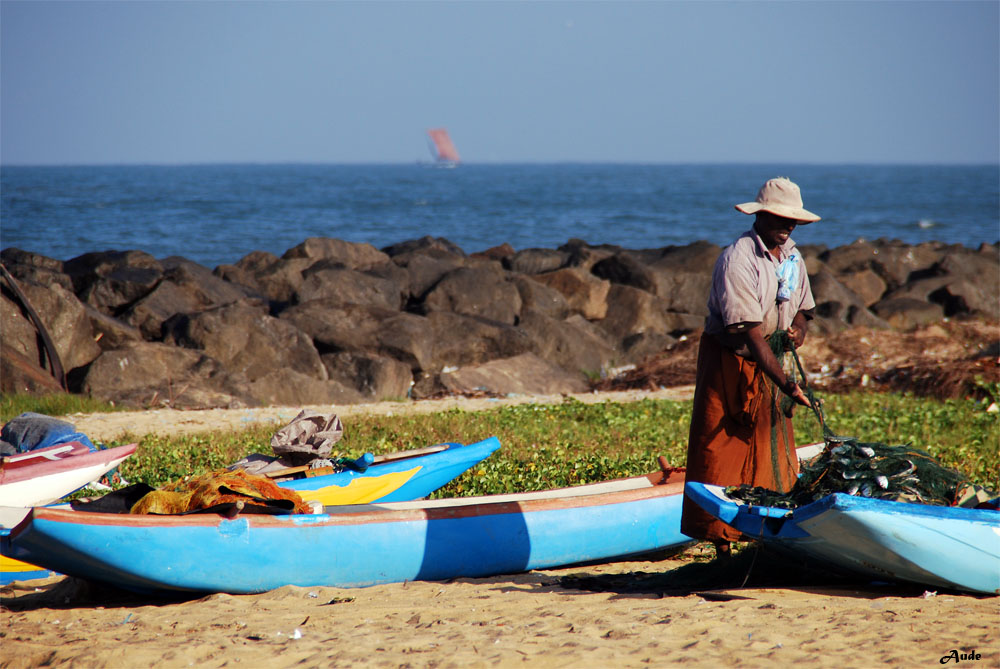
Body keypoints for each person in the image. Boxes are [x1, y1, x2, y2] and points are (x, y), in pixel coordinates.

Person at [680, 177, 819, 558]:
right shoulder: (738, 258)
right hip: (732, 361)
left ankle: (763, 535)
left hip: (770, 361)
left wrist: (798, 329)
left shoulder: (791, 256)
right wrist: (788, 384)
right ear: (760, 216)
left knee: (767, 446)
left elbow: (805, 309)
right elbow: (751, 335)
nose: (787, 226)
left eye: (792, 220)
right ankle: (721, 540)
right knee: (722, 447)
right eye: (779, 218)